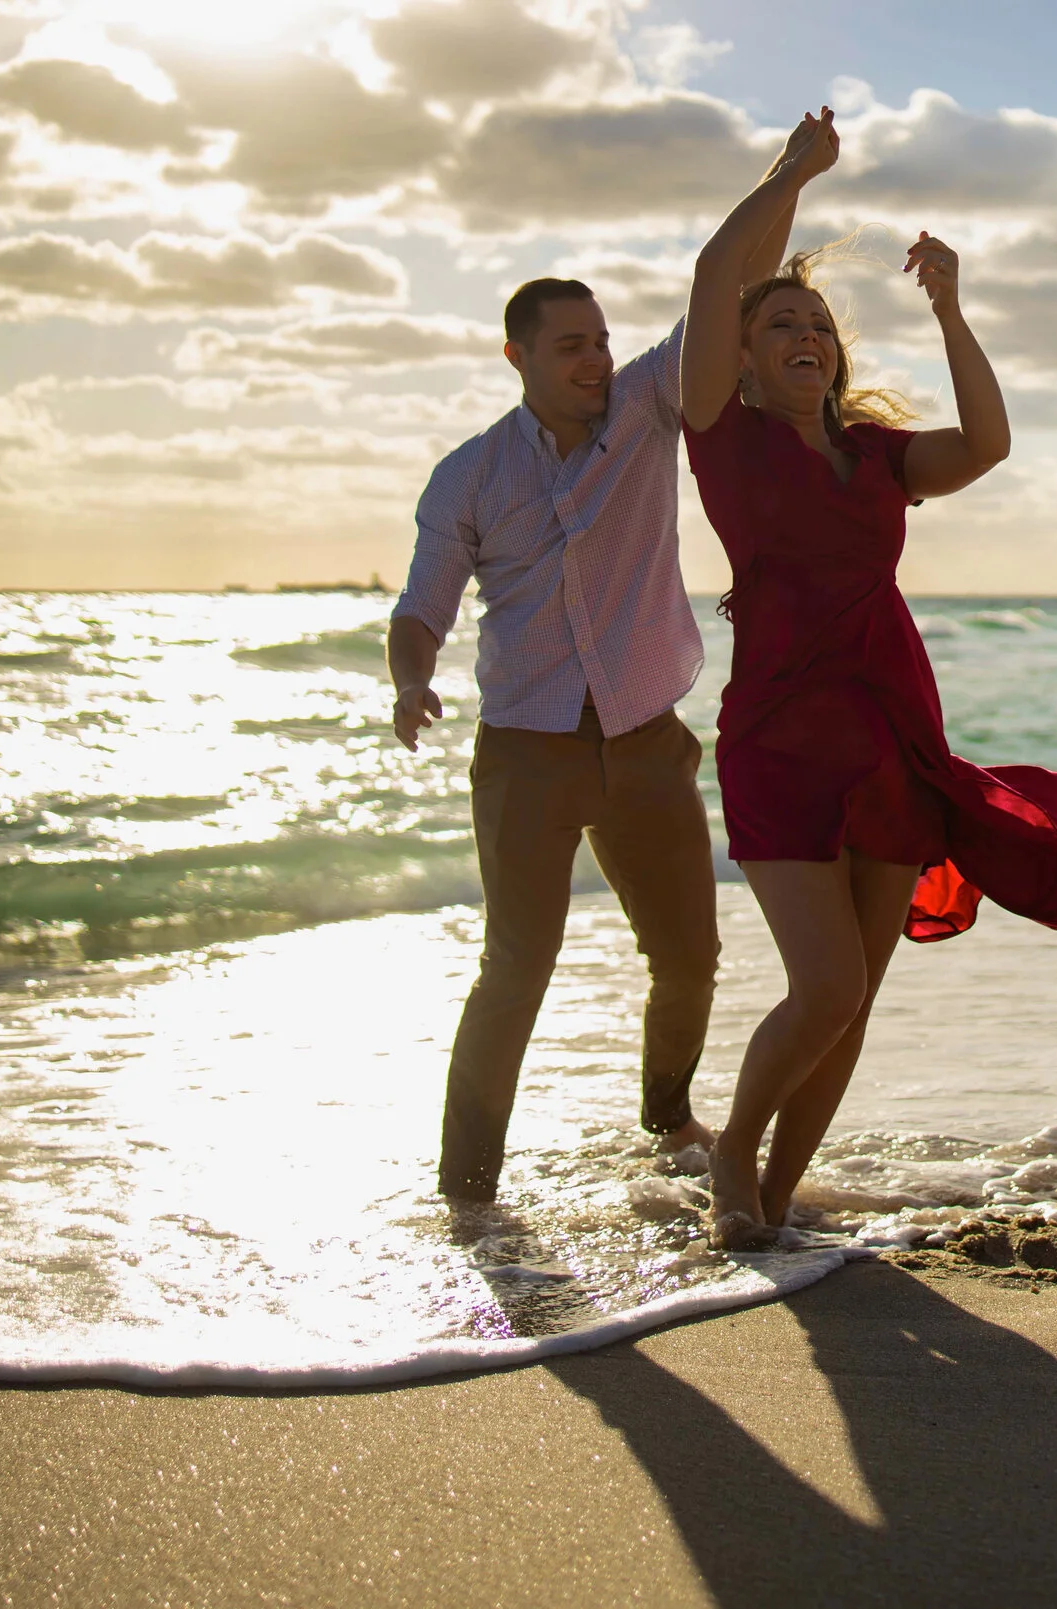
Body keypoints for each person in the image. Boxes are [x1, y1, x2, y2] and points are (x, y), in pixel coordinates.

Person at [680, 109, 1057, 1251]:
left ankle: (773, 1206)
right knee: (821, 986)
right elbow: (713, 270)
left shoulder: (879, 457)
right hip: (775, 739)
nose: (802, 334)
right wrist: (792, 174)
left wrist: (952, 310)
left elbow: (986, 444)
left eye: (816, 322)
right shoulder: (722, 433)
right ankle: (731, 1149)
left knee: (854, 1002)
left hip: (889, 739)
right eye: (778, 323)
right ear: (742, 353)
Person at [388, 187, 803, 1204]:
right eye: (570, 343)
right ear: (518, 356)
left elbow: (731, 298)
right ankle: (468, 1188)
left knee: (690, 958)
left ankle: (667, 1120)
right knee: (514, 971)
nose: (594, 359)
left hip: (646, 743)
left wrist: (791, 180)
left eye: (602, 339)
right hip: (527, 754)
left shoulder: (649, 408)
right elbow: (421, 604)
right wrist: (410, 673)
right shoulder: (470, 474)